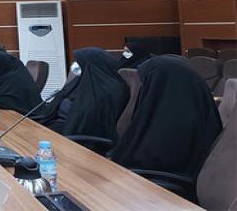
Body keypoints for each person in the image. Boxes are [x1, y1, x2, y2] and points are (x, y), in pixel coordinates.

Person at [110, 55, 222, 185]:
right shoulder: (175, 107)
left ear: (158, 83)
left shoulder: (176, 122)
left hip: (160, 187)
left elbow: (153, 162)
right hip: (144, 180)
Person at [34, 48, 129, 146]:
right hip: (55, 131)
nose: (75, 64)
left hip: (75, 139)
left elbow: (91, 122)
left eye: (79, 62)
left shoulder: (109, 89)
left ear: (91, 64)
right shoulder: (80, 81)